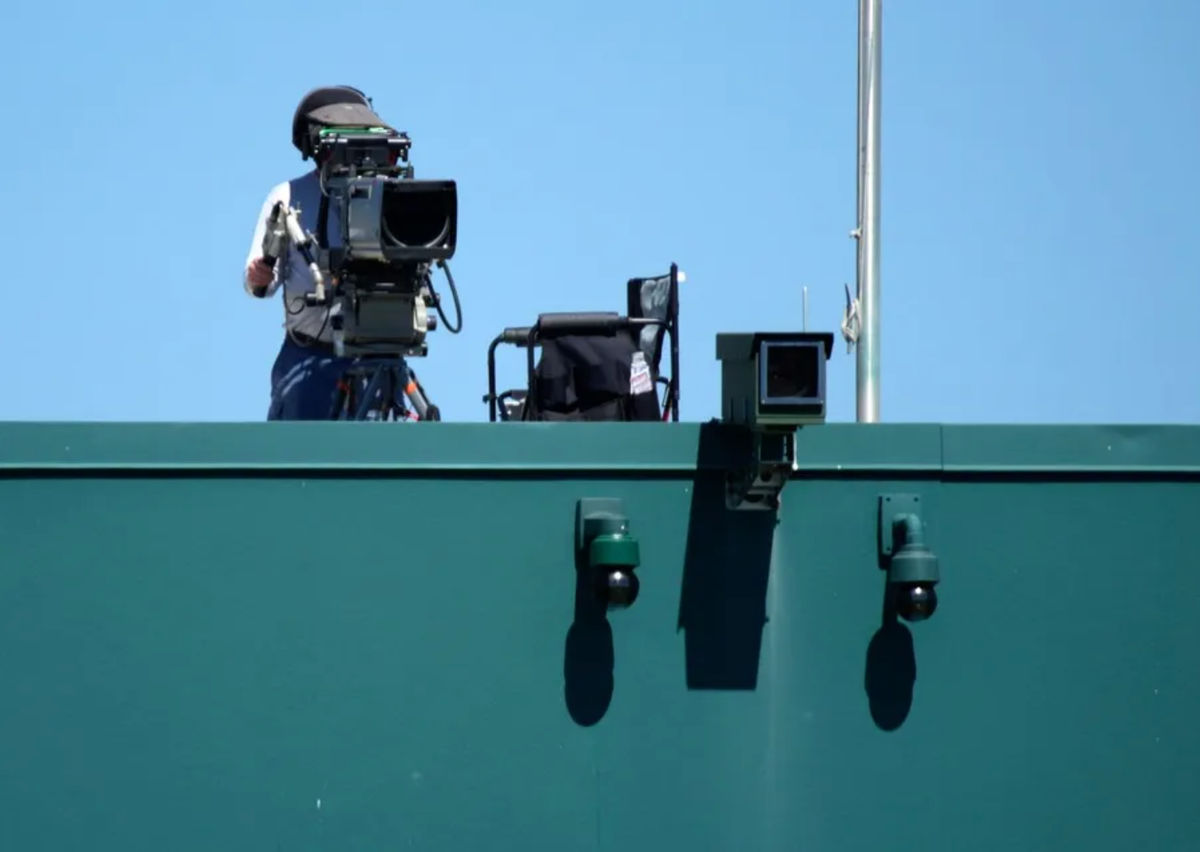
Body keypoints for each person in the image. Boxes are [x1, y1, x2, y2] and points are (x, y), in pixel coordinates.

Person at [243, 85, 412, 420]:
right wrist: (258, 275)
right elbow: (260, 281)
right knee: (298, 463)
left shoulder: (389, 194)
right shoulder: (288, 195)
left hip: (377, 355)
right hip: (308, 358)